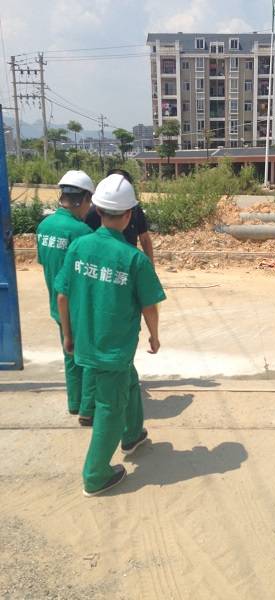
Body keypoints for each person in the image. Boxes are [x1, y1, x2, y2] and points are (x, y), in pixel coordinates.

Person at [55, 174, 166, 497]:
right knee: (109, 407)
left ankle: (132, 435)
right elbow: (149, 306)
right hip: (113, 349)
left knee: (128, 380)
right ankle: (96, 475)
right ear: (129, 215)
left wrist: (68, 336)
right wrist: (154, 337)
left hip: (88, 341)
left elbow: (62, 295)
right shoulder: (133, 259)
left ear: (98, 210)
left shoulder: (79, 246)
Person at [36, 170, 96, 426]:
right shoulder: (81, 232)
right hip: (79, 306)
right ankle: (88, 409)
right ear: (83, 199)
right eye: (90, 202)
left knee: (69, 353)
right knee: (89, 357)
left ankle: (74, 402)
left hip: (56, 303)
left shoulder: (44, 226)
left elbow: (44, 262)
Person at [84, 168, 154, 263]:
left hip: (126, 262)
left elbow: (144, 238)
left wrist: (150, 263)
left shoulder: (136, 210)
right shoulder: (92, 213)